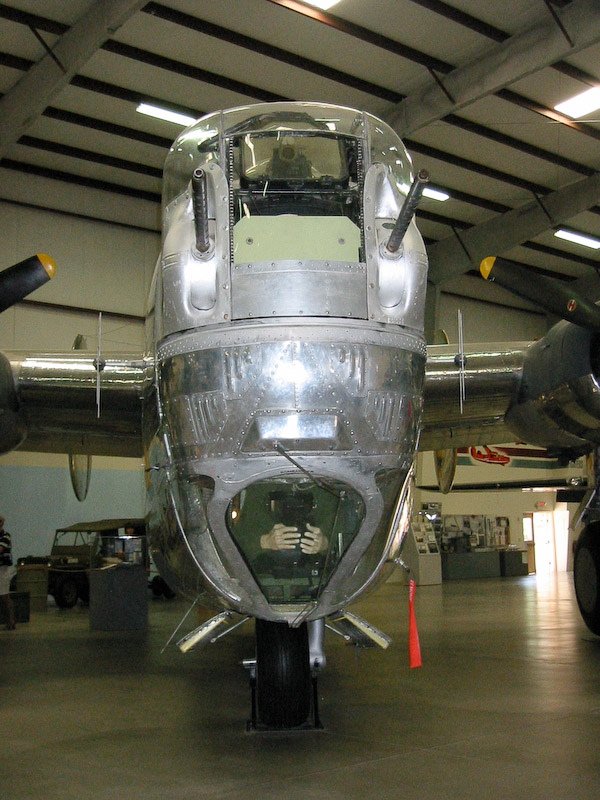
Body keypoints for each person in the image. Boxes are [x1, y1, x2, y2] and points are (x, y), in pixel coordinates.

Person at [0, 515, 16, 630]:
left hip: (2, 570)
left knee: (5, 596)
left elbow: (0, 549)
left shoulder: (6, 536)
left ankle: (11, 621)